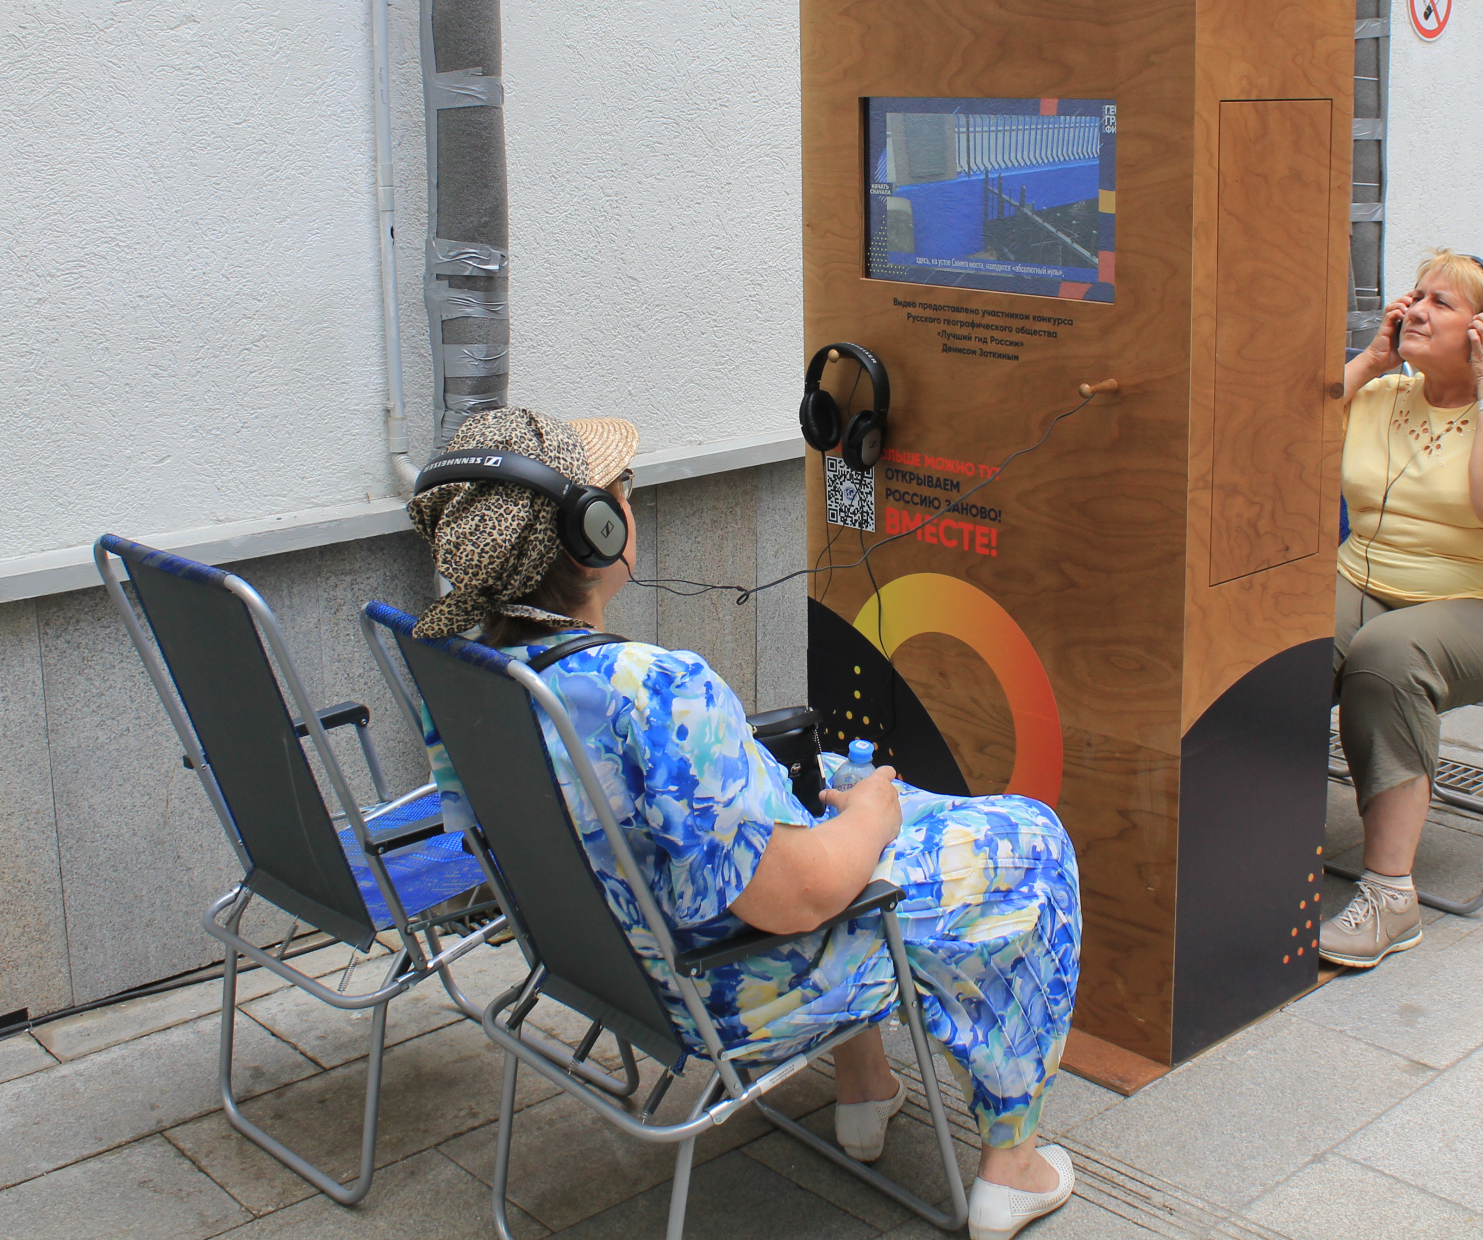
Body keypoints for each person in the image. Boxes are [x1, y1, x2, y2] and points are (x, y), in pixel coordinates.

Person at [404, 407, 1082, 1240]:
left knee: (827, 778)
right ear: (596, 530)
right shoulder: (655, 690)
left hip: (607, 965)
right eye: (625, 488)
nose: (631, 502)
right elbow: (801, 897)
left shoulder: (463, 667)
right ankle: (1013, 1170)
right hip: (725, 990)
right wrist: (869, 820)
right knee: (1032, 842)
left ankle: (864, 1089)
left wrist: (845, 802)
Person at [1323, 250, 1483, 968]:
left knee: (1391, 654)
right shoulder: (1380, 398)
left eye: (1441, 303)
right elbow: (1269, 452)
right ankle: (1250, 840)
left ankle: (1390, 896)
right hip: (1371, 583)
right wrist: (1371, 360)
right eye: (1416, 296)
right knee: (1277, 624)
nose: (1415, 310)